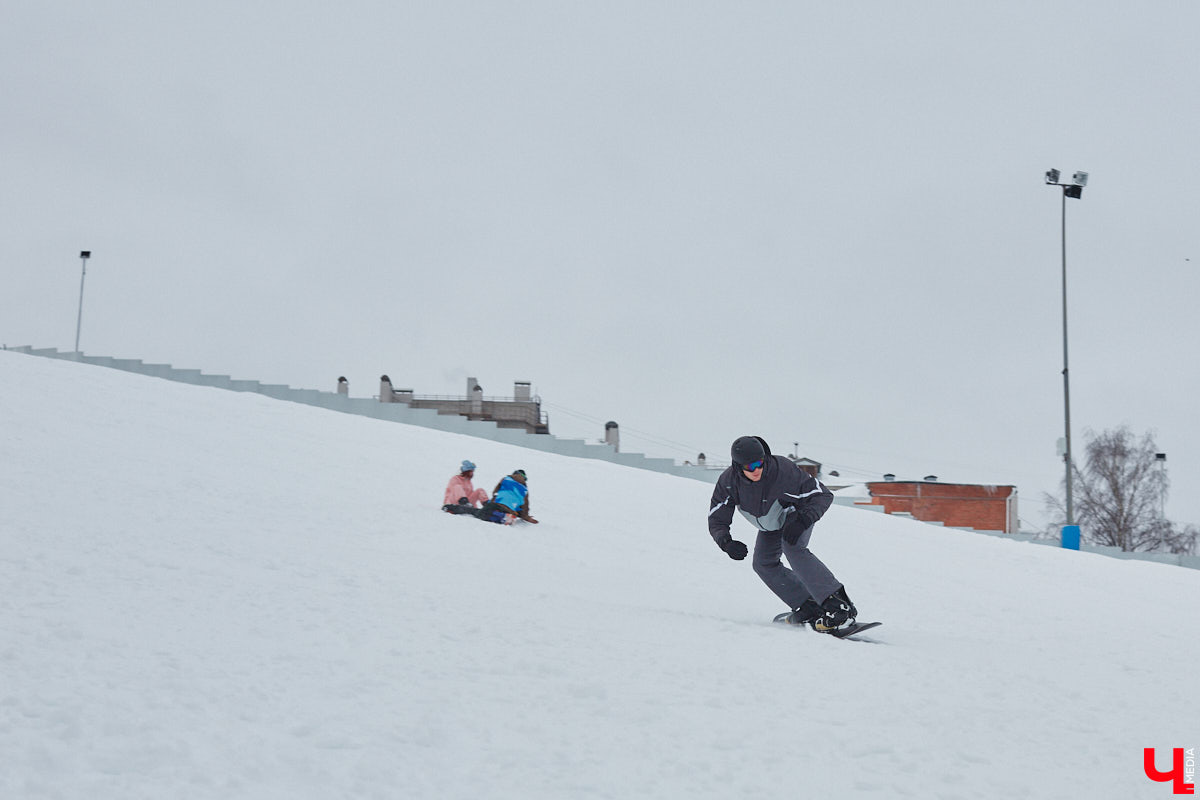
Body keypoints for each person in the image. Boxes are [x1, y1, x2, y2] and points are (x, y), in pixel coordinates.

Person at [708, 435, 857, 632]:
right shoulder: (728, 483)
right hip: (771, 524)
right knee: (762, 563)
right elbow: (717, 519)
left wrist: (804, 520)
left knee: (793, 548)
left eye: (759, 463)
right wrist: (726, 543)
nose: (756, 470)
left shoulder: (782, 471)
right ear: (737, 467)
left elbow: (822, 494)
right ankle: (808, 606)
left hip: (797, 516)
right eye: (749, 467)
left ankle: (838, 606)